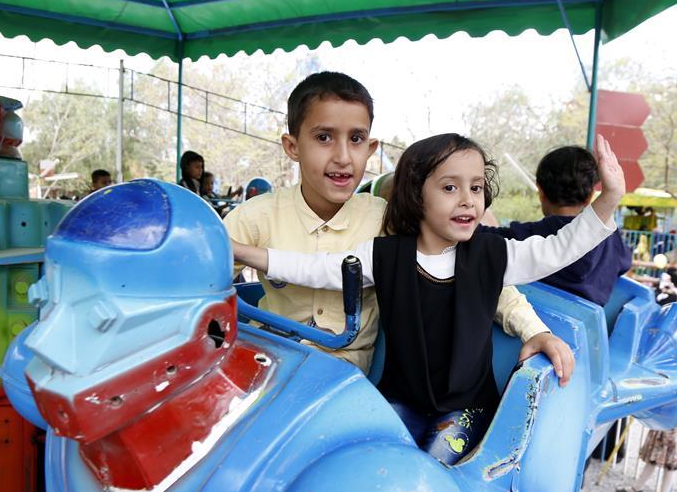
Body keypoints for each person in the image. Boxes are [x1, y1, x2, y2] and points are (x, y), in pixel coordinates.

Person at [232, 132, 626, 463]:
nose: (468, 199)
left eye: (476, 187)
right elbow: (314, 268)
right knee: (371, 457)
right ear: (417, 195)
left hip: (464, 408)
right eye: (450, 187)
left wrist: (609, 198)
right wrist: (244, 252)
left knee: (431, 465)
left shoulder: (491, 254)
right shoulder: (384, 255)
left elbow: (557, 249)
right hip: (400, 400)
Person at [223, 72, 573, 379]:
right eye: (324, 137)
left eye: (356, 139)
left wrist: (534, 330)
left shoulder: (387, 220)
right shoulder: (255, 216)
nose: (343, 157)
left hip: (340, 377)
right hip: (265, 360)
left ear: (371, 148)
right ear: (292, 146)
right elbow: (201, 283)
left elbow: (472, 269)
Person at [482, 145, 632, 306]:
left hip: (536, 318)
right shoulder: (611, 238)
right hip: (593, 320)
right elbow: (625, 264)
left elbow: (483, 237)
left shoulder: (531, 234)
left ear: (541, 192)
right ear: (590, 196)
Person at [616, 397, 677, 492]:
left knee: (670, 464)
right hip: (660, 426)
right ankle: (638, 487)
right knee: (652, 459)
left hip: (673, 429)